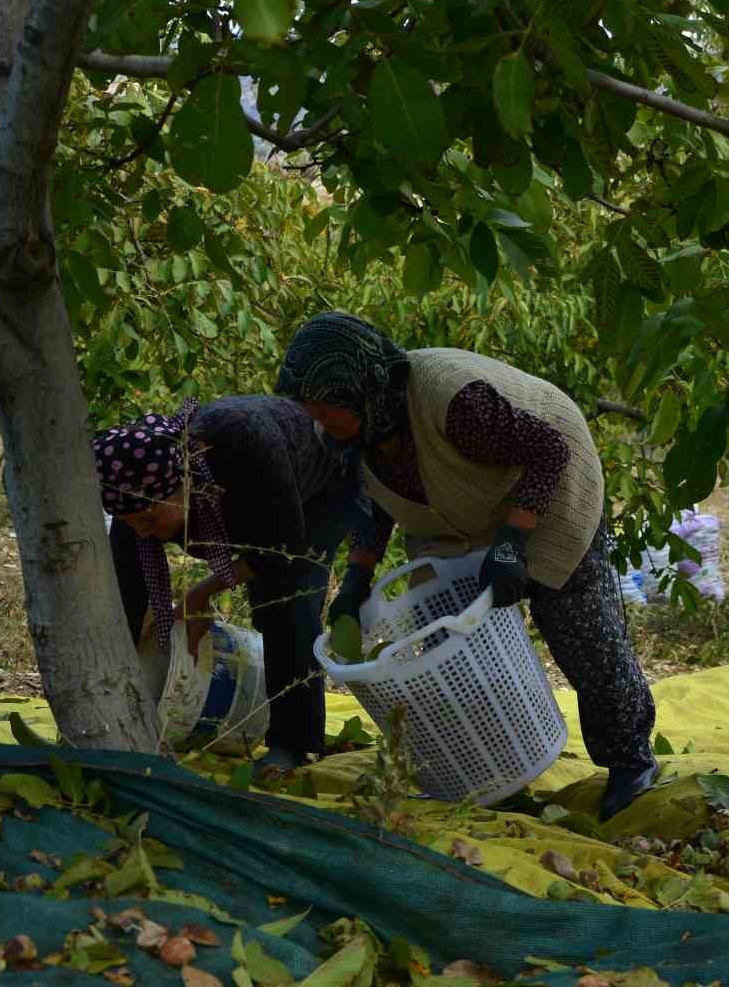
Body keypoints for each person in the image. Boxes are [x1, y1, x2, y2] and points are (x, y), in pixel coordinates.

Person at [274, 312, 658, 821]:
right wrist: (356, 583)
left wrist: (512, 542)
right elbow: (371, 509)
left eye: (324, 409)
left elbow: (548, 450)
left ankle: (630, 761)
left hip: (551, 489)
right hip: (455, 513)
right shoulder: (348, 438)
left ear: (357, 391)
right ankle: (492, 771)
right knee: (452, 643)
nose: (319, 422)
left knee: (577, 627)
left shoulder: (453, 402)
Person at [95, 395, 364, 776]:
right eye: (131, 521)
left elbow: (281, 550)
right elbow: (129, 600)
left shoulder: (245, 446)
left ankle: (294, 744)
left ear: (183, 481)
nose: (142, 529)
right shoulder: (133, 491)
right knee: (131, 584)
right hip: (236, 500)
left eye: (150, 518)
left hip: (318, 491)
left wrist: (200, 595)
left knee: (283, 603)